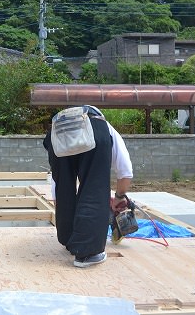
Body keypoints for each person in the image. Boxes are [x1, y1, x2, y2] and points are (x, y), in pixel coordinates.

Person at [43, 105, 133, 268]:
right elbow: (125, 172)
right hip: (92, 127)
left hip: (58, 130)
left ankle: (69, 239)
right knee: (95, 187)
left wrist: (62, 210)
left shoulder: (93, 125)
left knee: (64, 186)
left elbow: (58, 183)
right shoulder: (106, 129)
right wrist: (119, 197)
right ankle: (88, 254)